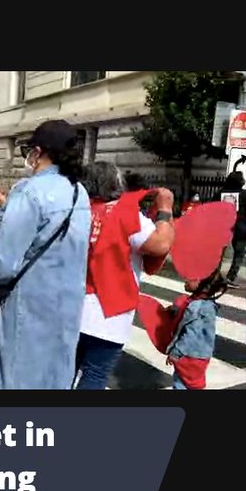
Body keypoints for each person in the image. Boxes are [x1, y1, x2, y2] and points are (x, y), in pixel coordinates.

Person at [0, 119, 91, 390]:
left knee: (12, 379)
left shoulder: (28, 191)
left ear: (37, 152)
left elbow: (3, 266)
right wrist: (3, 203)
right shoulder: (78, 192)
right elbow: (46, 231)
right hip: (66, 311)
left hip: (28, 310)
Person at [73, 162, 175, 390]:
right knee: (95, 374)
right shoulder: (125, 213)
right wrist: (165, 209)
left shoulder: (77, 211)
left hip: (70, 309)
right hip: (107, 316)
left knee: (63, 372)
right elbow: (160, 244)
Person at [166, 270, 227, 390]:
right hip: (200, 355)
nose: (187, 279)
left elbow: (191, 333)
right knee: (192, 383)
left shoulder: (198, 307)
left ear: (205, 287)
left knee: (181, 383)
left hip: (190, 355)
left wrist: (176, 353)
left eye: (193, 278)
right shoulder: (203, 303)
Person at [223, 168, 246, 288]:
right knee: (239, 254)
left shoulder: (221, 193)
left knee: (217, 253)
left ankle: (212, 275)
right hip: (240, 228)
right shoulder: (245, 194)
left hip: (222, 227)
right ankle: (230, 277)